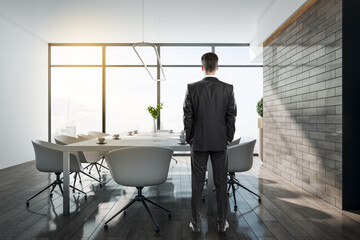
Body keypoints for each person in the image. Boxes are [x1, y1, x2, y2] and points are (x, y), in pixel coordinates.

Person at [183, 52, 237, 232]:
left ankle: (196, 223)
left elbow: (187, 118)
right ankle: (222, 223)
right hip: (220, 142)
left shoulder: (191, 88)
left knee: (197, 184)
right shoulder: (228, 88)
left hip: (198, 142)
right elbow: (231, 117)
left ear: (202, 67)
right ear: (217, 67)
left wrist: (191, 138)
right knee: (221, 184)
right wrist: (228, 138)